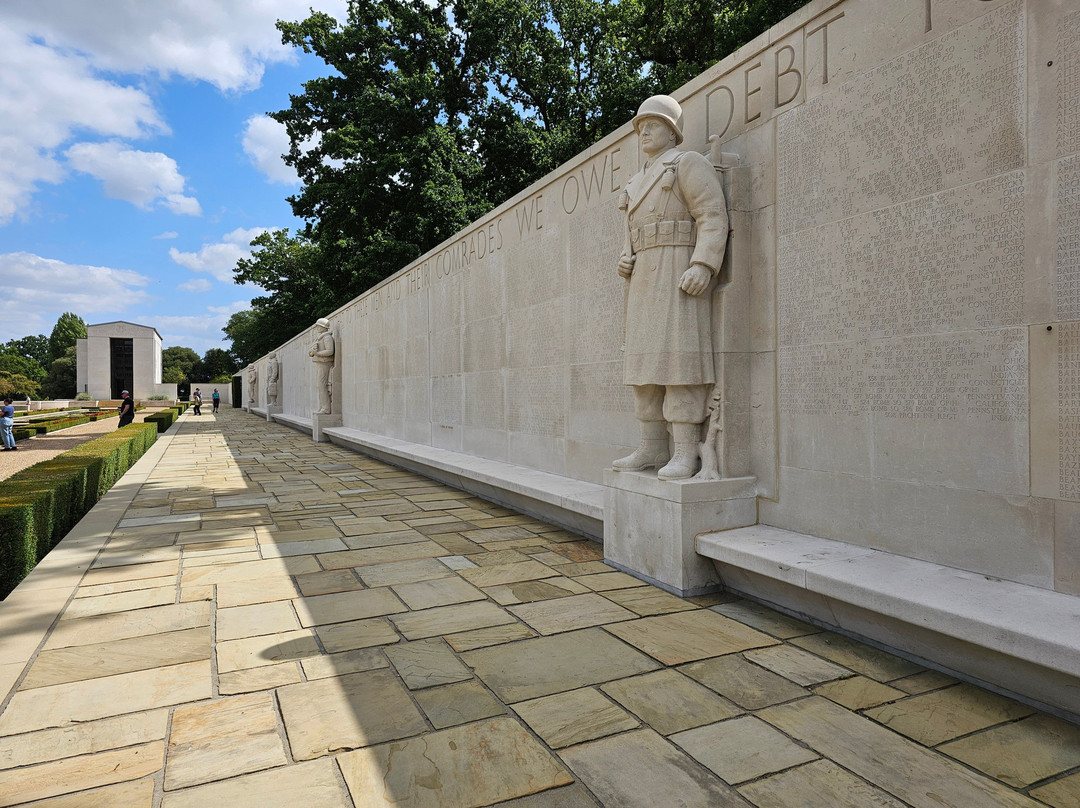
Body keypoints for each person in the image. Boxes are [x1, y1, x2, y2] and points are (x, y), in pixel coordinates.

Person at [612, 94, 729, 480]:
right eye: (641, 125)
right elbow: (631, 235)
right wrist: (625, 260)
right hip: (644, 278)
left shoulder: (686, 163)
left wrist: (703, 263)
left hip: (677, 272)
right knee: (643, 365)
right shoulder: (635, 180)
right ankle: (650, 447)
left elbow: (712, 214)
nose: (644, 129)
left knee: (680, 362)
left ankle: (684, 452)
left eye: (654, 123)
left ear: (672, 131)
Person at [309, 318, 335, 414]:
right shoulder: (320, 338)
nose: (317, 328)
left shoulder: (327, 337)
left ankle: (326, 408)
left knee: (322, 385)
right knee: (320, 386)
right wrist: (312, 352)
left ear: (323, 327)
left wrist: (318, 353)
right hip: (319, 363)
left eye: (318, 326)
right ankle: (323, 407)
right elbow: (312, 352)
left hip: (325, 363)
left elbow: (330, 351)